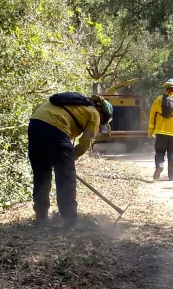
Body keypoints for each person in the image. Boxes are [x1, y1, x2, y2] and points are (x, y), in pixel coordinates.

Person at [28, 92, 113, 228]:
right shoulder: (94, 113)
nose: (101, 123)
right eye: (104, 120)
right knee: (66, 177)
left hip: (34, 124)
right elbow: (85, 142)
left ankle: (41, 216)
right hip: (56, 128)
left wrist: (61, 157)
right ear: (101, 110)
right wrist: (70, 158)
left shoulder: (73, 104)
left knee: (41, 174)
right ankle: (70, 221)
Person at [148, 79, 173, 181]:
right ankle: (172, 176)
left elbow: (152, 115)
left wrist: (150, 130)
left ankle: (159, 165)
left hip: (160, 132)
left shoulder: (158, 100)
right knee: (172, 153)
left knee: (159, 151)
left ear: (166, 88)